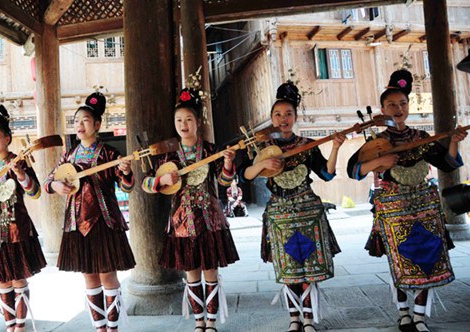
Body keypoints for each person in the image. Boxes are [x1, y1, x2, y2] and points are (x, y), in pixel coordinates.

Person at [347, 69, 467, 332]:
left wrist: (454, 143)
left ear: (408, 106)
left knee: (427, 260)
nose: (397, 108)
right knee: (399, 261)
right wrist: (379, 161)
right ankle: (403, 313)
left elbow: (447, 163)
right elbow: (353, 170)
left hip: (425, 207)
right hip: (393, 210)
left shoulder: (421, 138)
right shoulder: (377, 142)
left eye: (402, 103)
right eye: (391, 104)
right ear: (382, 109)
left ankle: (420, 316)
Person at [240, 81, 345, 332]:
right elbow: (245, 175)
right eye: (278, 114)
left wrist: (336, 148)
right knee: (288, 269)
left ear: (295, 117)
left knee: (309, 267)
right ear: (271, 118)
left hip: (308, 211)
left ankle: (308, 318)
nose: (283, 118)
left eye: (288, 114)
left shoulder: (307, 145)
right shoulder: (262, 148)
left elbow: (327, 175)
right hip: (280, 215)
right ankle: (294, 318)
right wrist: (263, 166)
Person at [142, 87, 239, 332]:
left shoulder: (211, 150)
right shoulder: (167, 155)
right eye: (178, 120)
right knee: (191, 274)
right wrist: (160, 182)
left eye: (188, 119)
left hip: (209, 220)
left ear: (198, 122)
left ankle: (212, 321)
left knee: (211, 272)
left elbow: (224, 181)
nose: (183, 125)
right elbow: (146, 183)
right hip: (181, 222)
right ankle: (198, 321)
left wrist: (227, 163)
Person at [45, 92, 136, 331]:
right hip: (77, 224)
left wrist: (125, 171)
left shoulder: (109, 154)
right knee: (89, 277)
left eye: (85, 120)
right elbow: (48, 182)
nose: (79, 125)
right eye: (76, 121)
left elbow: (127, 185)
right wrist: (56, 185)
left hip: (104, 222)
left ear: (97, 124)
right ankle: (100, 327)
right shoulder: (69, 156)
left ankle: (113, 327)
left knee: (108, 275)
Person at [0, 104, 46, 332]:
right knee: (1, 282)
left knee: (18, 281)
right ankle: (10, 326)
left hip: (16, 231)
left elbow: (35, 192)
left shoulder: (19, 161)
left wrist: (21, 173)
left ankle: (20, 328)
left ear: (8, 138)